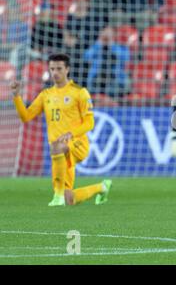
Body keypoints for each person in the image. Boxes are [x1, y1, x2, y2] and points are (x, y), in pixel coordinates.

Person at [10, 53, 112, 206]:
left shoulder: (80, 92)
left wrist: (71, 134)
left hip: (77, 144)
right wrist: (16, 96)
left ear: (67, 70)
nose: (55, 73)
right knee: (69, 199)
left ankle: (57, 196)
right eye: (52, 69)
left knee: (57, 146)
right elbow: (26, 116)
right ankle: (102, 187)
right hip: (59, 152)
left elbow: (90, 123)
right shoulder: (46, 95)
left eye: (59, 69)